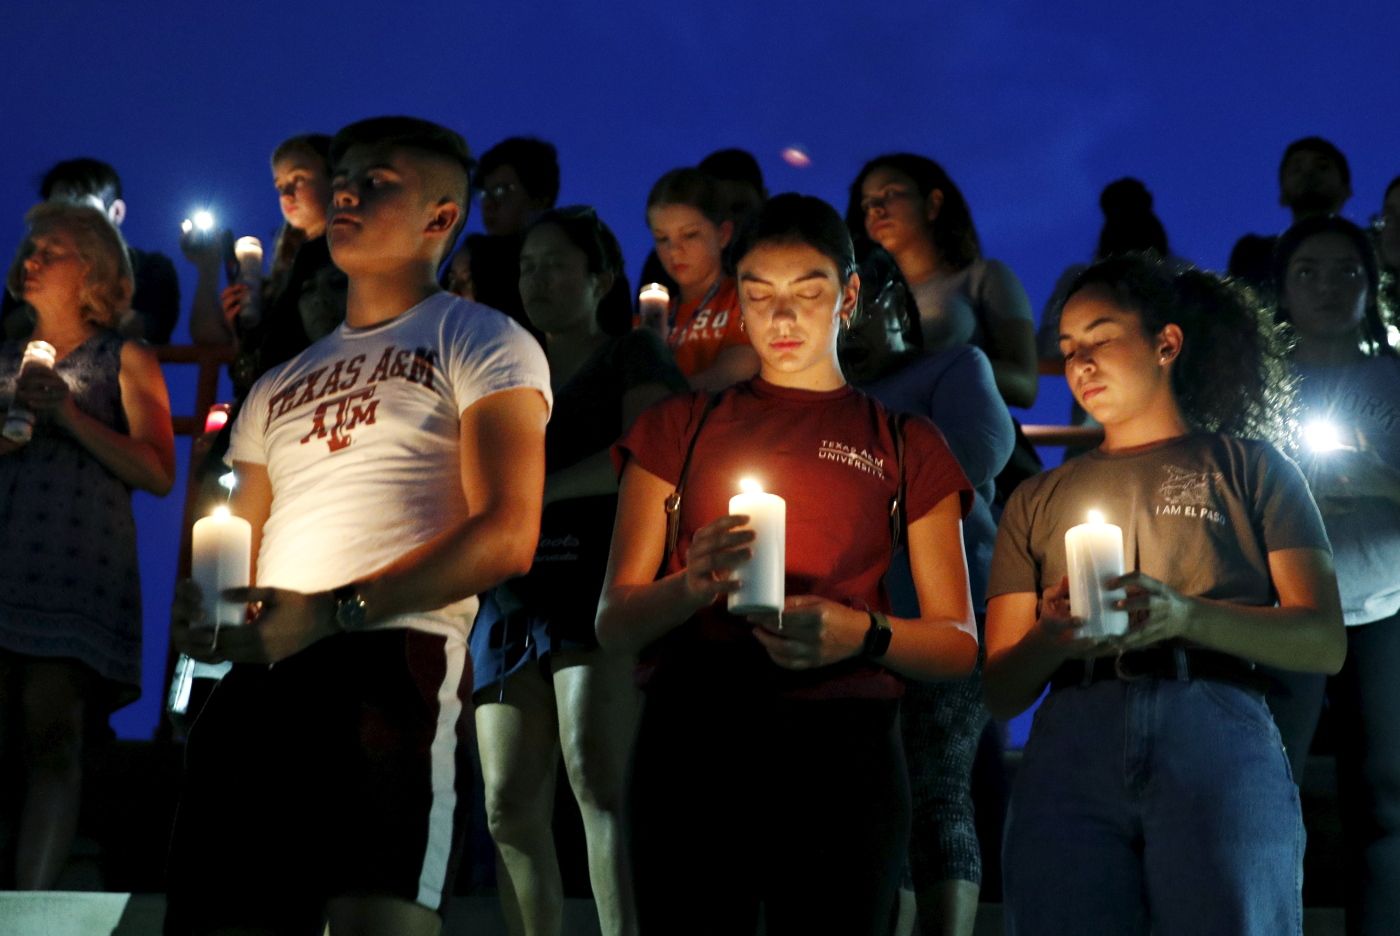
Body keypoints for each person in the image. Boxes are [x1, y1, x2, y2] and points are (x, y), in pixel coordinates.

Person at [164, 116, 552, 936]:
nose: (345, 190)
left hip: (396, 655)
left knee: (378, 911)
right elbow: (242, 539)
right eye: (343, 175)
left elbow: (507, 534)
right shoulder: (278, 384)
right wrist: (213, 611)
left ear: (441, 219)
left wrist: (339, 610)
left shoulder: (482, 339)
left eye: (378, 181)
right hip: (266, 674)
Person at [597, 193, 978, 935]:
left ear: (849, 294)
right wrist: (691, 584)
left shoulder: (906, 442)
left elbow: (959, 642)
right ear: (734, 295)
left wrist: (862, 633)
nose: (782, 318)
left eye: (808, 291)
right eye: (759, 294)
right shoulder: (677, 426)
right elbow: (615, 622)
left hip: (845, 752)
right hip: (693, 740)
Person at [985, 254, 1346, 936]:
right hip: (1074, 737)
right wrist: (1052, 636)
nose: (1082, 362)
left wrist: (1184, 615)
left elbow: (1322, 639)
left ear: (1166, 344)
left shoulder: (1250, 467)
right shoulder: (1036, 499)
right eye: (1067, 350)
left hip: (1214, 724)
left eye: (1102, 337)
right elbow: (1002, 688)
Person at [473, 207, 685, 936]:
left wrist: (533, 496)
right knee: (505, 799)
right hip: (511, 587)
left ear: (600, 278)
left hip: (594, 573)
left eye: (557, 264)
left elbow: (646, 452)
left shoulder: (632, 354)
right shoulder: (503, 364)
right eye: (528, 266)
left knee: (598, 778)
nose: (538, 280)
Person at [0, 202, 176, 888]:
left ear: (94, 271)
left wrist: (66, 414)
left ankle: (29, 906)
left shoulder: (123, 355)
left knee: (53, 728)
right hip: (9, 545)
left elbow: (158, 470)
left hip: (73, 560)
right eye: (30, 246)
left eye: (54, 248)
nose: (33, 257)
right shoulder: (4, 355)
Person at [840, 254, 1015, 936]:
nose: (849, 323)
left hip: (946, 612)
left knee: (936, 786)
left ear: (893, 304)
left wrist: (843, 486)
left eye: (859, 302)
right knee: (872, 798)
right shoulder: (824, 394)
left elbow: (974, 455)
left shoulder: (953, 368)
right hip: (849, 621)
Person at [1261, 215, 1400, 935]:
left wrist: (1381, 481)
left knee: (1385, 794)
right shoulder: (1258, 389)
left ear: (1370, 285)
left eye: (1345, 270)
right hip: (1288, 607)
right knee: (1271, 789)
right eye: (1307, 271)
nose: (1326, 285)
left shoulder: (1394, 379)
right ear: (1282, 288)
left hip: (1387, 602)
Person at [847, 153, 1038, 409]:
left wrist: (923, 364)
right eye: (867, 204)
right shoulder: (860, 294)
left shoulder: (984, 277)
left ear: (932, 203)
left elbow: (1024, 385)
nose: (876, 210)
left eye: (890, 194)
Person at [185, 133, 347, 398]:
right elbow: (211, 338)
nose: (286, 194)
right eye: (279, 185)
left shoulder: (349, 262)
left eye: (299, 179)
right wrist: (210, 270)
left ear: (335, 180)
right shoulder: (281, 276)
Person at [1, 158, 180, 343]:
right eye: (56, 209)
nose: (68, 219)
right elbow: (11, 328)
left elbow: (151, 330)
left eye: (83, 211)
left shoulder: (151, 268)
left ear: (116, 212)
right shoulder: (31, 263)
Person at [645, 167, 759, 391]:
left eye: (690, 234)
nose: (674, 251)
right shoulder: (654, 316)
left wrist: (661, 398)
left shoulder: (744, 299)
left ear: (723, 234)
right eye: (662, 238)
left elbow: (738, 371)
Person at [636, 147, 768, 297]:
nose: (674, 251)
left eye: (738, 208)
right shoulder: (659, 274)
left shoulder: (752, 298)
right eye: (662, 238)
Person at [466, 136, 560, 343]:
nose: (489, 204)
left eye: (502, 191)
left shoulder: (571, 262)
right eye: (484, 193)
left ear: (539, 198)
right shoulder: (470, 257)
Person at [1229, 136, 1353, 291]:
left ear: (1346, 189)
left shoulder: (1370, 254)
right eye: (1296, 169)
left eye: (1322, 166)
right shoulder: (1253, 255)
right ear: (1282, 195)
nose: (1308, 173)